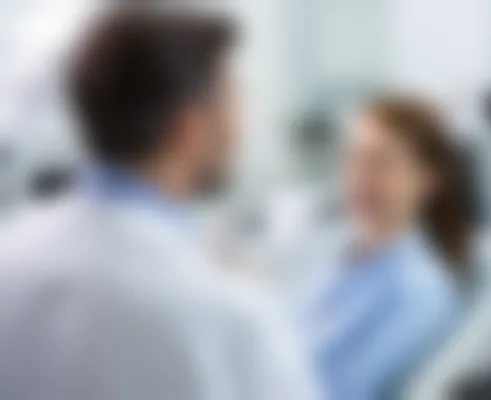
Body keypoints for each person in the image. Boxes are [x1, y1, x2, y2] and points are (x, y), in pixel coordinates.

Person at [0, 9, 319, 400]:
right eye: (235, 101)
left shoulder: (10, 260)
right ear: (190, 129)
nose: (242, 130)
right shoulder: (230, 312)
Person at [301, 96, 471, 399]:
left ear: (428, 179)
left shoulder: (420, 291)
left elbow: (342, 390)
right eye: (355, 159)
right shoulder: (337, 257)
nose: (361, 177)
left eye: (381, 163)